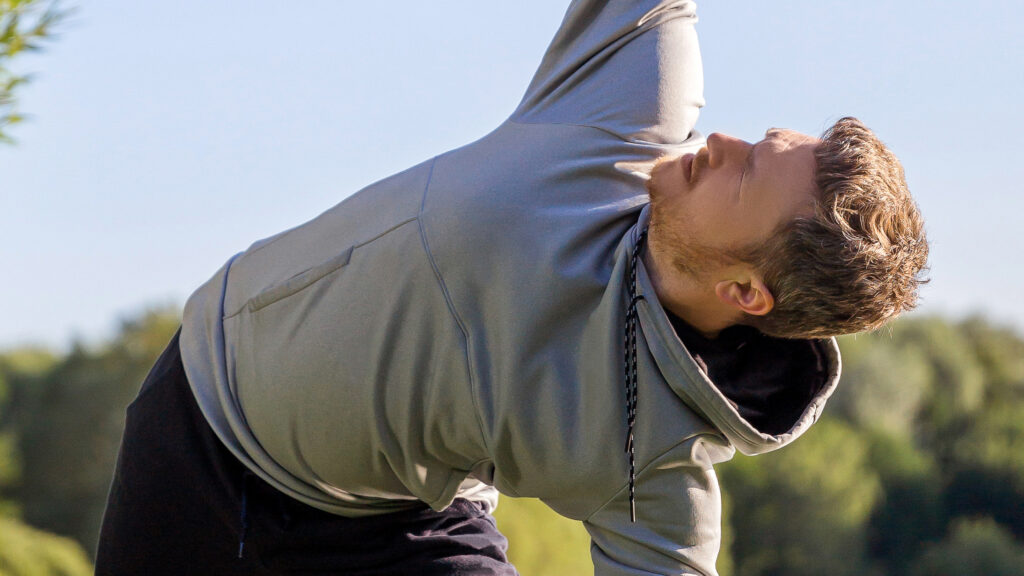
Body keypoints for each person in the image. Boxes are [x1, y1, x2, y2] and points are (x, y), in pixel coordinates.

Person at [96, 1, 928, 575]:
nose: (720, 140)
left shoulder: (659, 462)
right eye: (757, 138)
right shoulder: (628, 115)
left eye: (745, 174)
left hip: (386, 539)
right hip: (199, 428)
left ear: (747, 291)